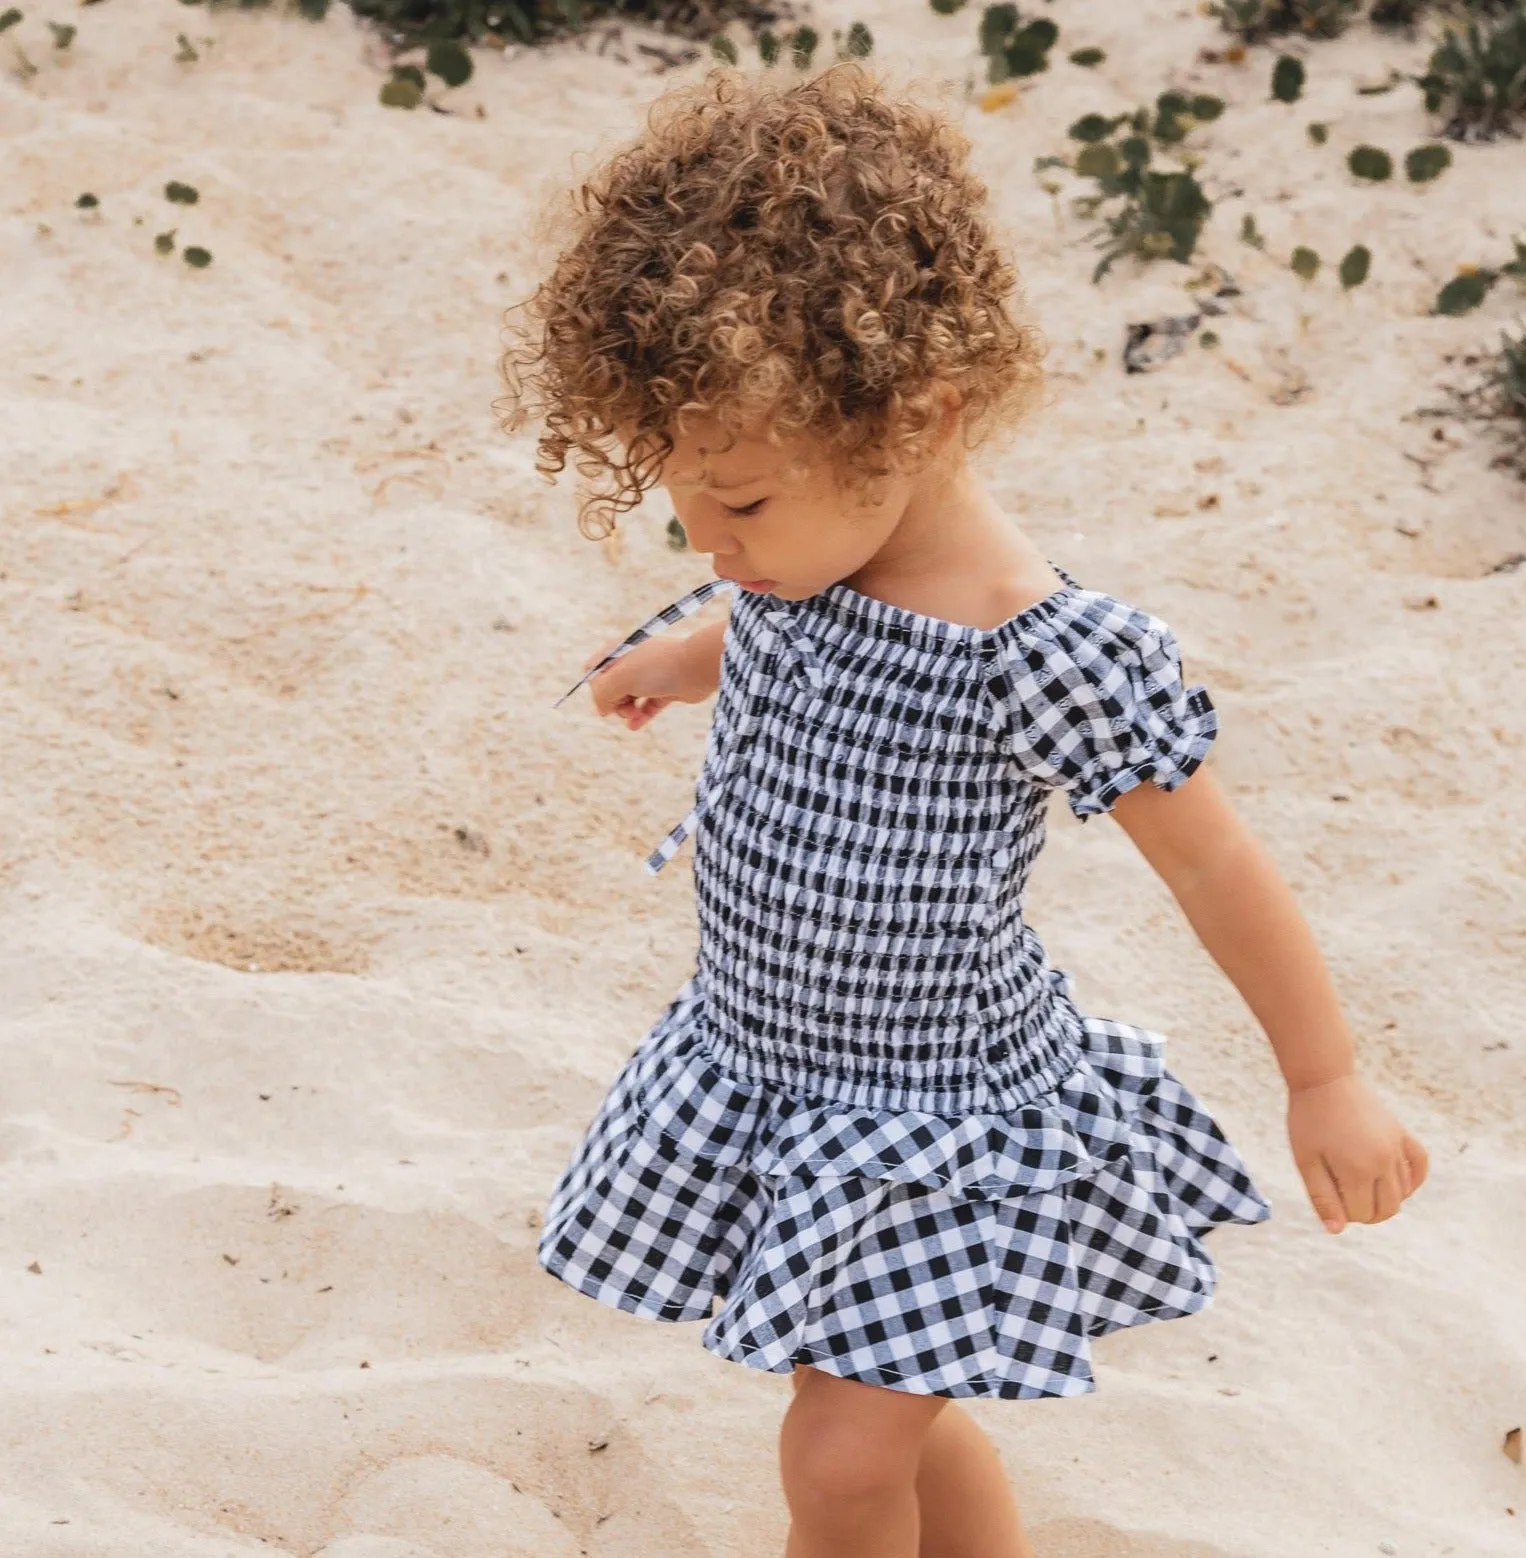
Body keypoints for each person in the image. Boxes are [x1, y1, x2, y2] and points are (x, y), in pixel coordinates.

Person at [499, 62, 1429, 1558]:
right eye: (683, 508)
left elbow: (1214, 861)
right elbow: (782, 620)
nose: (714, 546)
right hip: (772, 1074)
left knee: (841, 1462)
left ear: (917, 420)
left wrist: (1322, 1074)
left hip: (935, 1117)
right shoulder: (803, 559)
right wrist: (683, 652)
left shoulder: (1036, 648)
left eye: (737, 504)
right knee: (878, 1432)